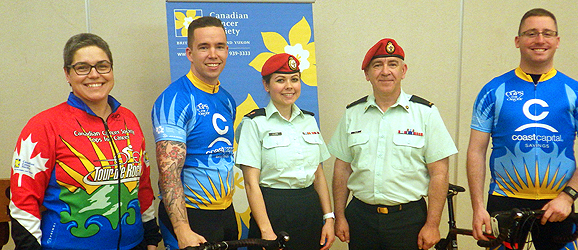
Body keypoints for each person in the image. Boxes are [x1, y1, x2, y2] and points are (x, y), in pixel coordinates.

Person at [466, 8, 578, 250]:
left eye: (547, 33)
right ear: (518, 41)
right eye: (531, 33)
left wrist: (567, 197)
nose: (540, 40)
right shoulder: (493, 90)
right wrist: (478, 207)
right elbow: (475, 151)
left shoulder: (575, 91)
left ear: (557, 41)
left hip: (558, 206)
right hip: (504, 202)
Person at [9, 33, 161, 250]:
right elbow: (23, 200)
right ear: (67, 74)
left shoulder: (129, 120)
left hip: (133, 244)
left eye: (102, 66)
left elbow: (142, 186)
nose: (94, 75)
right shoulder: (43, 125)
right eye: (82, 67)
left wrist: (151, 238)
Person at [328, 38, 458, 250]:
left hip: (408, 220)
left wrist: (433, 224)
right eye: (377, 65)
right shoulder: (352, 114)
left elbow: (439, 173)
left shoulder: (425, 113)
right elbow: (342, 170)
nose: (385, 71)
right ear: (367, 74)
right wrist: (340, 216)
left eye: (392, 64)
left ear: (403, 71)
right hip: (361, 218)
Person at [151, 16, 238, 250]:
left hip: (225, 212)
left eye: (219, 47)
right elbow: (168, 173)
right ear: (189, 53)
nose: (213, 54)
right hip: (190, 217)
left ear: (227, 50)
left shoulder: (227, 99)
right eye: (204, 47)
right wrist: (182, 230)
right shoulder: (175, 99)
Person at [235, 53, 335, 250]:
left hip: (309, 210)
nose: (289, 86)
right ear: (266, 85)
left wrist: (329, 218)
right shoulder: (254, 123)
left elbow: (318, 174)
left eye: (294, 79)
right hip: (272, 210)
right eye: (280, 80)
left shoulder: (309, 120)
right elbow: (250, 183)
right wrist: (266, 231)